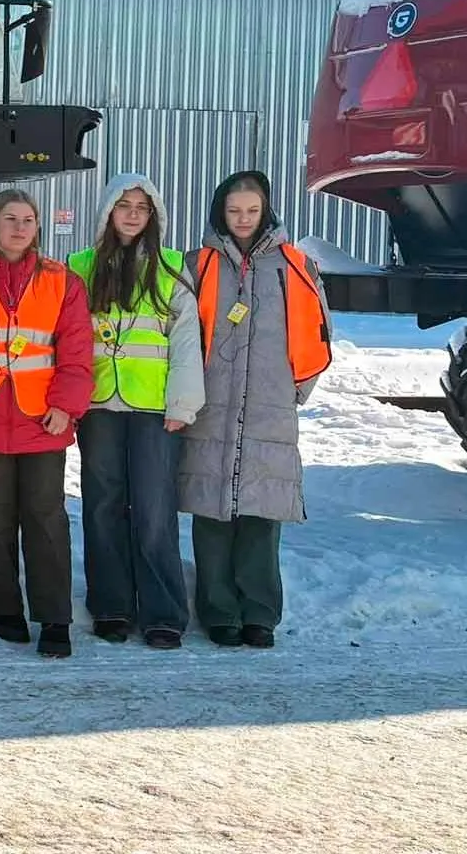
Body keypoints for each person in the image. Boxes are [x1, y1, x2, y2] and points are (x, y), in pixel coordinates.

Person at [180, 170, 332, 650]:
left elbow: (320, 331)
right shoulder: (197, 265)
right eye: (233, 211)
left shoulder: (295, 266)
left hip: (269, 409)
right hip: (209, 408)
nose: (243, 220)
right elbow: (178, 334)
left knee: (261, 517)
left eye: (251, 210)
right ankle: (218, 611)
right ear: (219, 213)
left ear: (266, 210)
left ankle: (260, 614)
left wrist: (294, 391)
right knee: (212, 514)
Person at [0, 188, 93, 658]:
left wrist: (66, 406)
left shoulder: (62, 280)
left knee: (46, 517)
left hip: (42, 417)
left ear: (38, 227)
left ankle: (54, 617)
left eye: (28, 220)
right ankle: (5, 607)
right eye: (10, 218)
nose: (19, 227)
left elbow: (76, 351)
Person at [66, 173, 204, 650]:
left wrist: (184, 402)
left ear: (153, 217)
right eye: (123, 205)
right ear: (108, 211)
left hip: (154, 408)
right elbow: (68, 336)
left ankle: (164, 611)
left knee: (153, 509)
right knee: (102, 506)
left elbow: (187, 341)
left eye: (141, 208)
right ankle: (111, 606)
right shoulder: (79, 267)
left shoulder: (170, 268)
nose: (131, 214)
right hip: (98, 403)